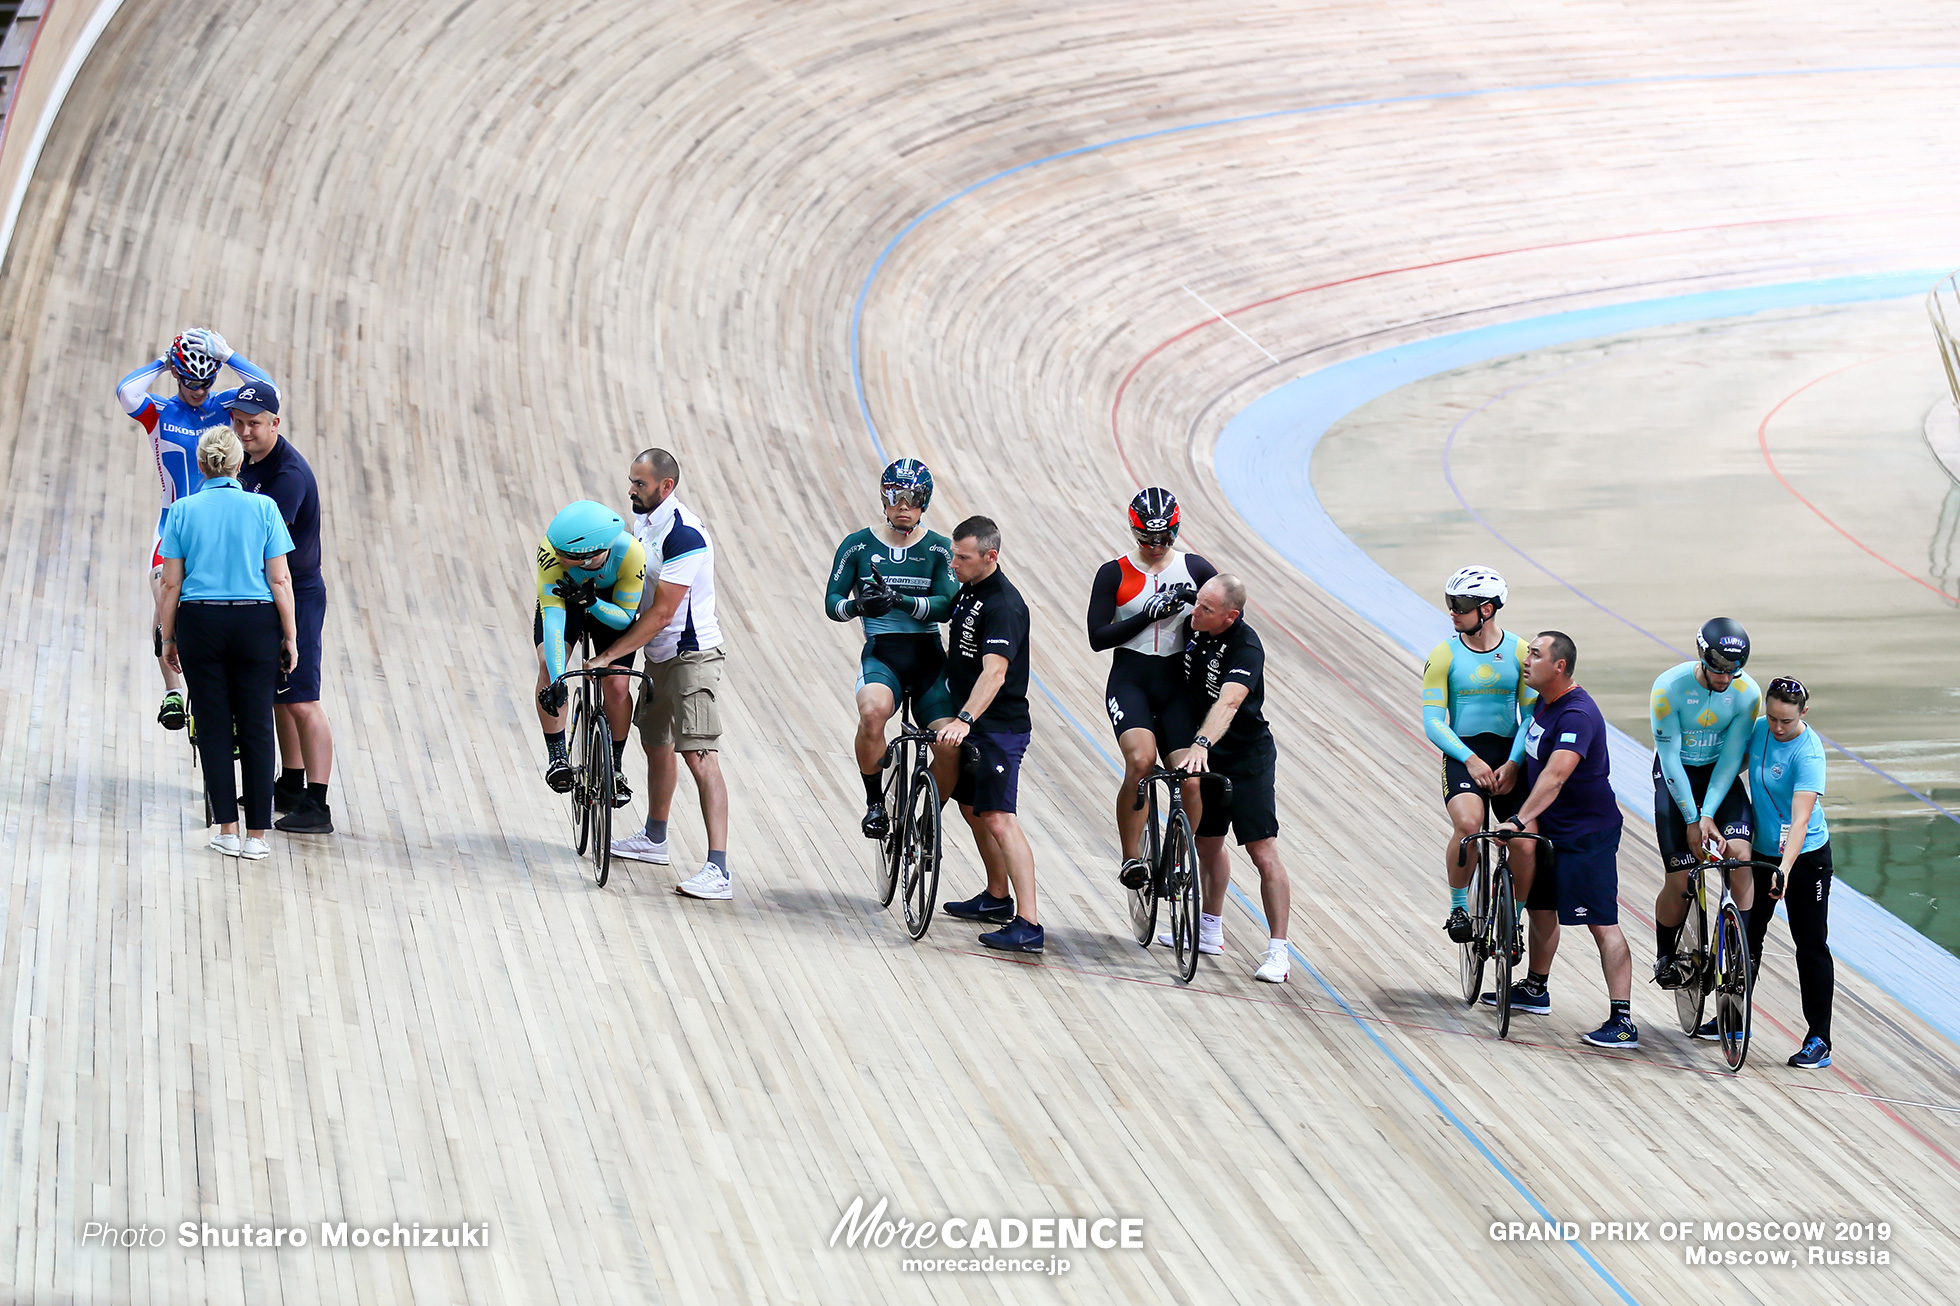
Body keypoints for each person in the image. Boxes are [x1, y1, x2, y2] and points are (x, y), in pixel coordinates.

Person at [117, 328, 274, 732]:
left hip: (219, 523)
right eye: (190, 382)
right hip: (174, 523)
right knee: (162, 596)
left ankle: (232, 708)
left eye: (206, 382)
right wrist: (162, 362)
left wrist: (231, 356)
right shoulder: (159, 412)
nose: (199, 391)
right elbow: (126, 392)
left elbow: (268, 390)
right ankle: (172, 692)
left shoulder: (225, 404)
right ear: (177, 376)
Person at [594, 449, 732, 901]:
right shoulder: (644, 522)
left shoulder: (685, 535)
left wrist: (610, 655)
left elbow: (661, 612)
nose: (630, 490)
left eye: (639, 483)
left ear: (665, 487)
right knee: (656, 743)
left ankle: (719, 870)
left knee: (699, 756)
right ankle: (655, 838)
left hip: (692, 658)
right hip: (659, 654)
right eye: (631, 480)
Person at [1485, 631, 1634, 1047]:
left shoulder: (1577, 715)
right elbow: (1530, 747)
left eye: (1534, 655)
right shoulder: (1543, 703)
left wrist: (1519, 819)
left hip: (1587, 835)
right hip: (1552, 829)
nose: (1525, 661)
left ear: (1560, 666)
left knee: (1602, 925)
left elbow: (1556, 775)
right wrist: (1514, 765)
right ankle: (1536, 988)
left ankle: (1623, 1019)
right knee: (1542, 908)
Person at [155, 428, 298, 859]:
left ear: (201, 466)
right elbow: (280, 578)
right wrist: (289, 634)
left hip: (202, 622)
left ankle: (228, 829)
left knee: (214, 728)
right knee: (257, 725)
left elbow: (170, 583)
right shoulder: (264, 507)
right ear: (240, 465)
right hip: (256, 622)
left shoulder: (182, 510)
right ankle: (258, 836)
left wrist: (168, 637)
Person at [1085, 487, 1215, 890]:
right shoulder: (1114, 572)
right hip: (1131, 679)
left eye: (1165, 538)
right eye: (1147, 538)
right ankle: (1130, 858)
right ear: (1134, 531)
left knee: (1190, 778)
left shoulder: (1195, 568)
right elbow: (1097, 637)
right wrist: (1147, 614)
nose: (1156, 546)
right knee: (1141, 763)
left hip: (1177, 684)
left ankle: (1179, 858)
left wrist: (1195, 600)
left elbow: (1230, 616)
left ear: (1176, 530)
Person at [823, 459, 959, 839]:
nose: (903, 505)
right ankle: (875, 803)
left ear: (924, 503)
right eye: (895, 497)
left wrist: (898, 601)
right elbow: (832, 602)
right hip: (884, 654)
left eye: (912, 498)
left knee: (950, 746)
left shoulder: (939, 549)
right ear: (883, 498)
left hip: (929, 658)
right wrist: (858, 607)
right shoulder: (858, 545)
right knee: (872, 715)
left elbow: (947, 606)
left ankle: (928, 816)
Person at [222, 381, 335, 834]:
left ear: (275, 423)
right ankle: (289, 784)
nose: (244, 432)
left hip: (297, 594)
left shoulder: (286, 477)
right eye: (239, 423)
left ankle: (319, 803)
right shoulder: (251, 460)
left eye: (254, 424)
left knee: (304, 699)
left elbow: (265, 549)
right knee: (279, 696)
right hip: (273, 591)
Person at [934, 516, 1042, 952]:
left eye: (962, 557)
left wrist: (964, 719)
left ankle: (1030, 924)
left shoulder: (1004, 605)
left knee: (999, 818)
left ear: (990, 557)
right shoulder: (971, 590)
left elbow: (995, 674)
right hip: (977, 722)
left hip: (998, 728)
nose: (953, 563)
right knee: (972, 809)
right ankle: (997, 898)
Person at [1181, 575, 1293, 982]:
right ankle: (1210, 929)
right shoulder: (1196, 623)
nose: (1196, 612)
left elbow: (1229, 701)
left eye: (1206, 609)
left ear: (1231, 616)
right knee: (1208, 843)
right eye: (1197, 603)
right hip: (1209, 755)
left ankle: (1279, 951)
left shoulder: (1246, 647)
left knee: (1262, 852)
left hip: (1246, 757)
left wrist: (1201, 743)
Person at [1649, 618, 1762, 1001]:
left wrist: (1708, 813)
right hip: (1675, 775)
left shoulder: (1747, 693)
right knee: (1680, 877)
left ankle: (1737, 955)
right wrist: (1693, 818)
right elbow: (1669, 759)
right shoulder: (1668, 689)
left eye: (1734, 670)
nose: (1726, 677)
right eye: (1719, 668)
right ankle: (1665, 955)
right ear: (1702, 656)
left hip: (1718, 777)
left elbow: (1731, 760)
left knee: (1741, 858)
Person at [1423, 566, 1537, 943]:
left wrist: (1515, 763)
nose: (1451, 611)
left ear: (1486, 610)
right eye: (1449, 602)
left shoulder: (1520, 651)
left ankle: (1514, 921)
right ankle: (1458, 906)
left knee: (1525, 840)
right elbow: (1433, 722)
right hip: (1464, 755)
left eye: (1460, 604)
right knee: (1470, 826)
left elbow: (1530, 718)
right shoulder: (1444, 655)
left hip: (1509, 756)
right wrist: (1471, 759)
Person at [1744, 676, 1837, 1068]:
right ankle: (1732, 1016)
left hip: (1805, 859)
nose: (1777, 728)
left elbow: (1800, 821)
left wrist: (1785, 868)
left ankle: (1819, 1038)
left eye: (1786, 721)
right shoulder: (1759, 730)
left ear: (1804, 713)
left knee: (1810, 945)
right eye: (1772, 718)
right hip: (1761, 851)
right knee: (1747, 935)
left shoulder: (1809, 754)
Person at [533, 500, 648, 805]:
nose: (555, 556)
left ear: (593, 553)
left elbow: (624, 617)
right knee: (547, 664)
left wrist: (593, 603)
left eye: (565, 555)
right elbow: (553, 617)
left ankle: (615, 765)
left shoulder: (630, 554)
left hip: (608, 604)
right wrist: (558, 679)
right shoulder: (551, 554)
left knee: (618, 684)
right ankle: (557, 756)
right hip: (565, 602)